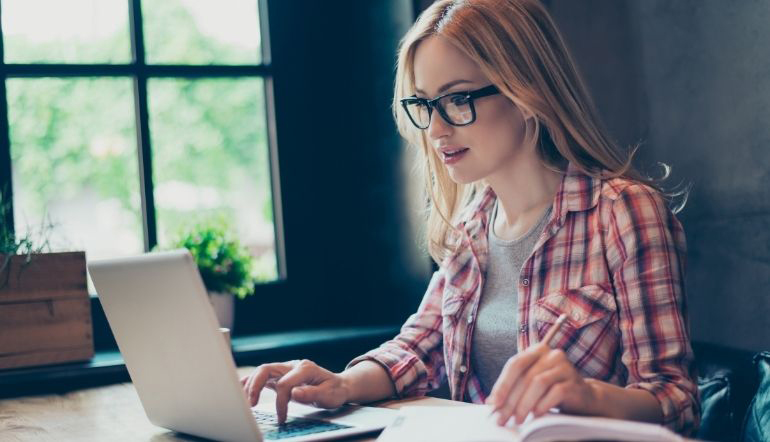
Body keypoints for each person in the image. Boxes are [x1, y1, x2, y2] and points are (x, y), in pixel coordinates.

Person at [241, 0, 699, 436]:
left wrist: (588, 397)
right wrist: (342, 383)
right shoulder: (471, 224)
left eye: (457, 100)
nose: (437, 130)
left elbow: (675, 401)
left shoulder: (624, 213)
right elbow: (420, 346)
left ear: (526, 91)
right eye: (424, 105)